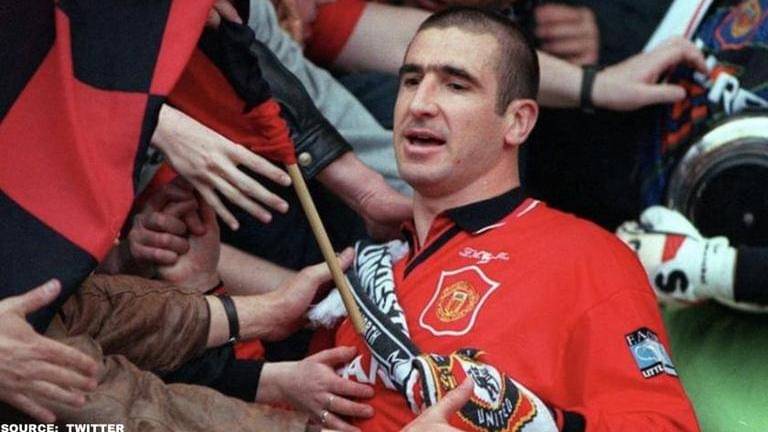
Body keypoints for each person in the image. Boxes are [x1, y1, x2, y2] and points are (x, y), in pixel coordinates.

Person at [323, 7, 700, 430]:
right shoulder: (367, 267)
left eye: (455, 85)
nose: (420, 104)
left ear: (518, 122)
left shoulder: (584, 257)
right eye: (411, 81)